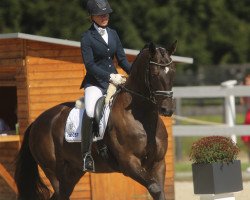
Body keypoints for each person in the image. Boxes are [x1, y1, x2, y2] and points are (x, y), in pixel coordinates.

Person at [80, 0, 131, 172]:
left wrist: (135, 73)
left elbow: (122, 60)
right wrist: (110, 76)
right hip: (95, 82)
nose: (104, 17)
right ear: (91, 17)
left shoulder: (113, 33)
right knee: (89, 111)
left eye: (106, 13)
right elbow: (90, 66)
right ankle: (86, 154)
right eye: (101, 14)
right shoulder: (87, 37)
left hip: (115, 80)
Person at [240, 71, 250, 172]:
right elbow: (242, 102)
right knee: (247, 141)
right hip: (249, 114)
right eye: (246, 80)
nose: (247, 82)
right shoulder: (245, 90)